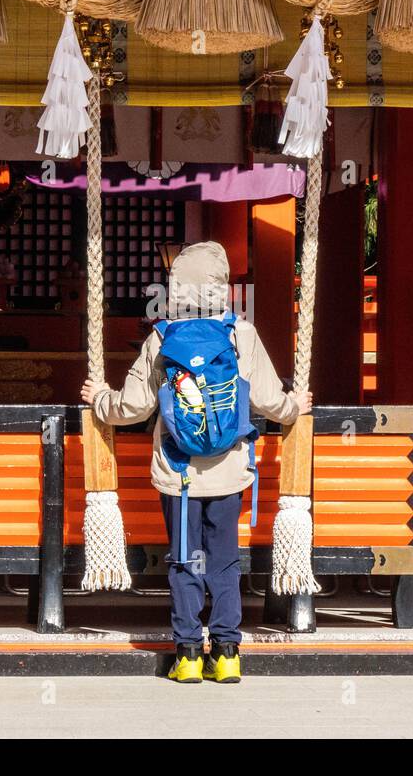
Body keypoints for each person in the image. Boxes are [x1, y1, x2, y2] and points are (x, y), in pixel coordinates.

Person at [81, 242, 311, 683]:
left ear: (176, 287)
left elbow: (133, 407)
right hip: (228, 471)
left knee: (185, 559)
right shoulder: (240, 334)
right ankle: (226, 653)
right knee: (223, 560)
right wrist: (294, 404)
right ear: (223, 286)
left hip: (178, 473)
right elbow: (266, 402)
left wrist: (100, 399)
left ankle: (187, 654)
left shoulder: (163, 337)